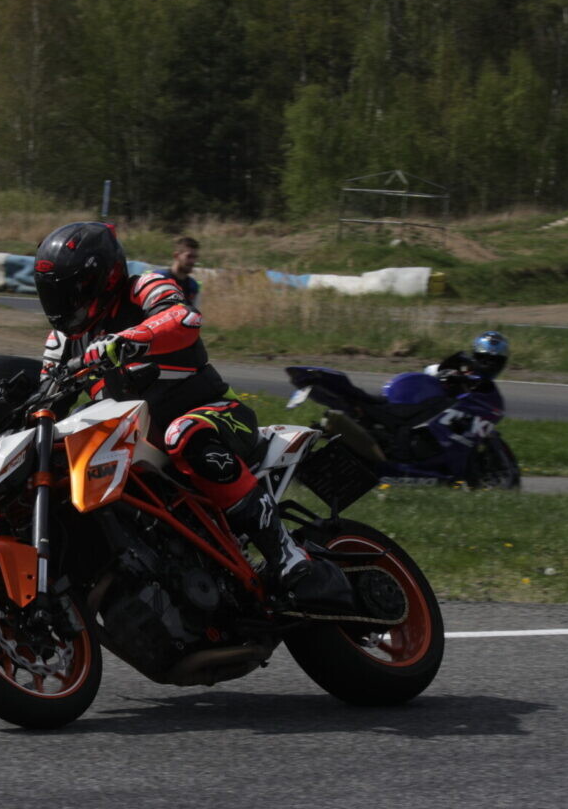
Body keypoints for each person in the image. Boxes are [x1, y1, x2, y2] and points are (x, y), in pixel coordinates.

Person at [30, 221, 352, 611]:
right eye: (54, 293)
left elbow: (184, 318)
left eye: (72, 291)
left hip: (216, 414)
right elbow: (45, 397)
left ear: (104, 277)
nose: (63, 303)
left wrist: (127, 341)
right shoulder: (62, 341)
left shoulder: (143, 287)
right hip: (144, 446)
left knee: (182, 434)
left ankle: (286, 554)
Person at [153, 235, 201, 306]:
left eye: (195, 257)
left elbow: (195, 311)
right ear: (176, 256)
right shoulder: (158, 279)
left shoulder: (193, 286)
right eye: (189, 256)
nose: (192, 261)